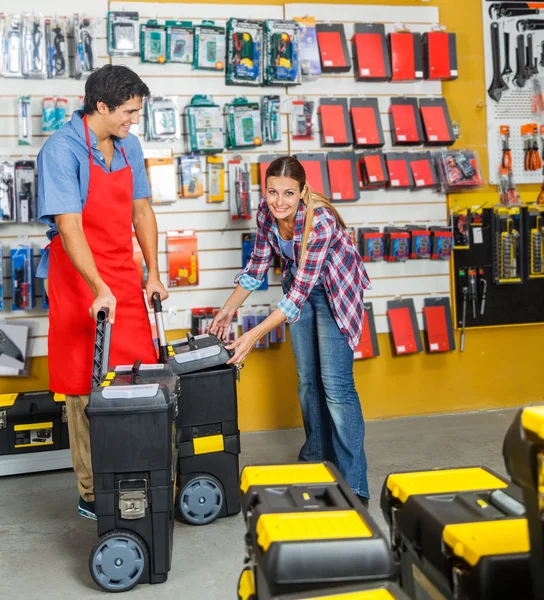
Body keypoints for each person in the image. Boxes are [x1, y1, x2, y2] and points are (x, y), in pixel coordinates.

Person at [37, 65, 167, 520]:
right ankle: (93, 491)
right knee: (84, 387)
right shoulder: (62, 150)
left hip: (122, 274)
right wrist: (98, 288)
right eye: (128, 112)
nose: (134, 121)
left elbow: (143, 212)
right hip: (79, 279)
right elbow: (70, 227)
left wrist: (152, 272)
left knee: (141, 376)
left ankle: (140, 474)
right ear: (102, 106)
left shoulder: (129, 146)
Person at [209, 156, 371, 504]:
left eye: (287, 193)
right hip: (299, 292)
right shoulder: (267, 214)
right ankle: (317, 461)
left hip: (333, 295)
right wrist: (227, 310)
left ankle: (354, 483)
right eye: (271, 192)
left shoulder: (321, 222)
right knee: (307, 383)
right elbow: (256, 269)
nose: (278, 201)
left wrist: (252, 335)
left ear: (302, 191)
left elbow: (298, 295)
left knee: (337, 389)